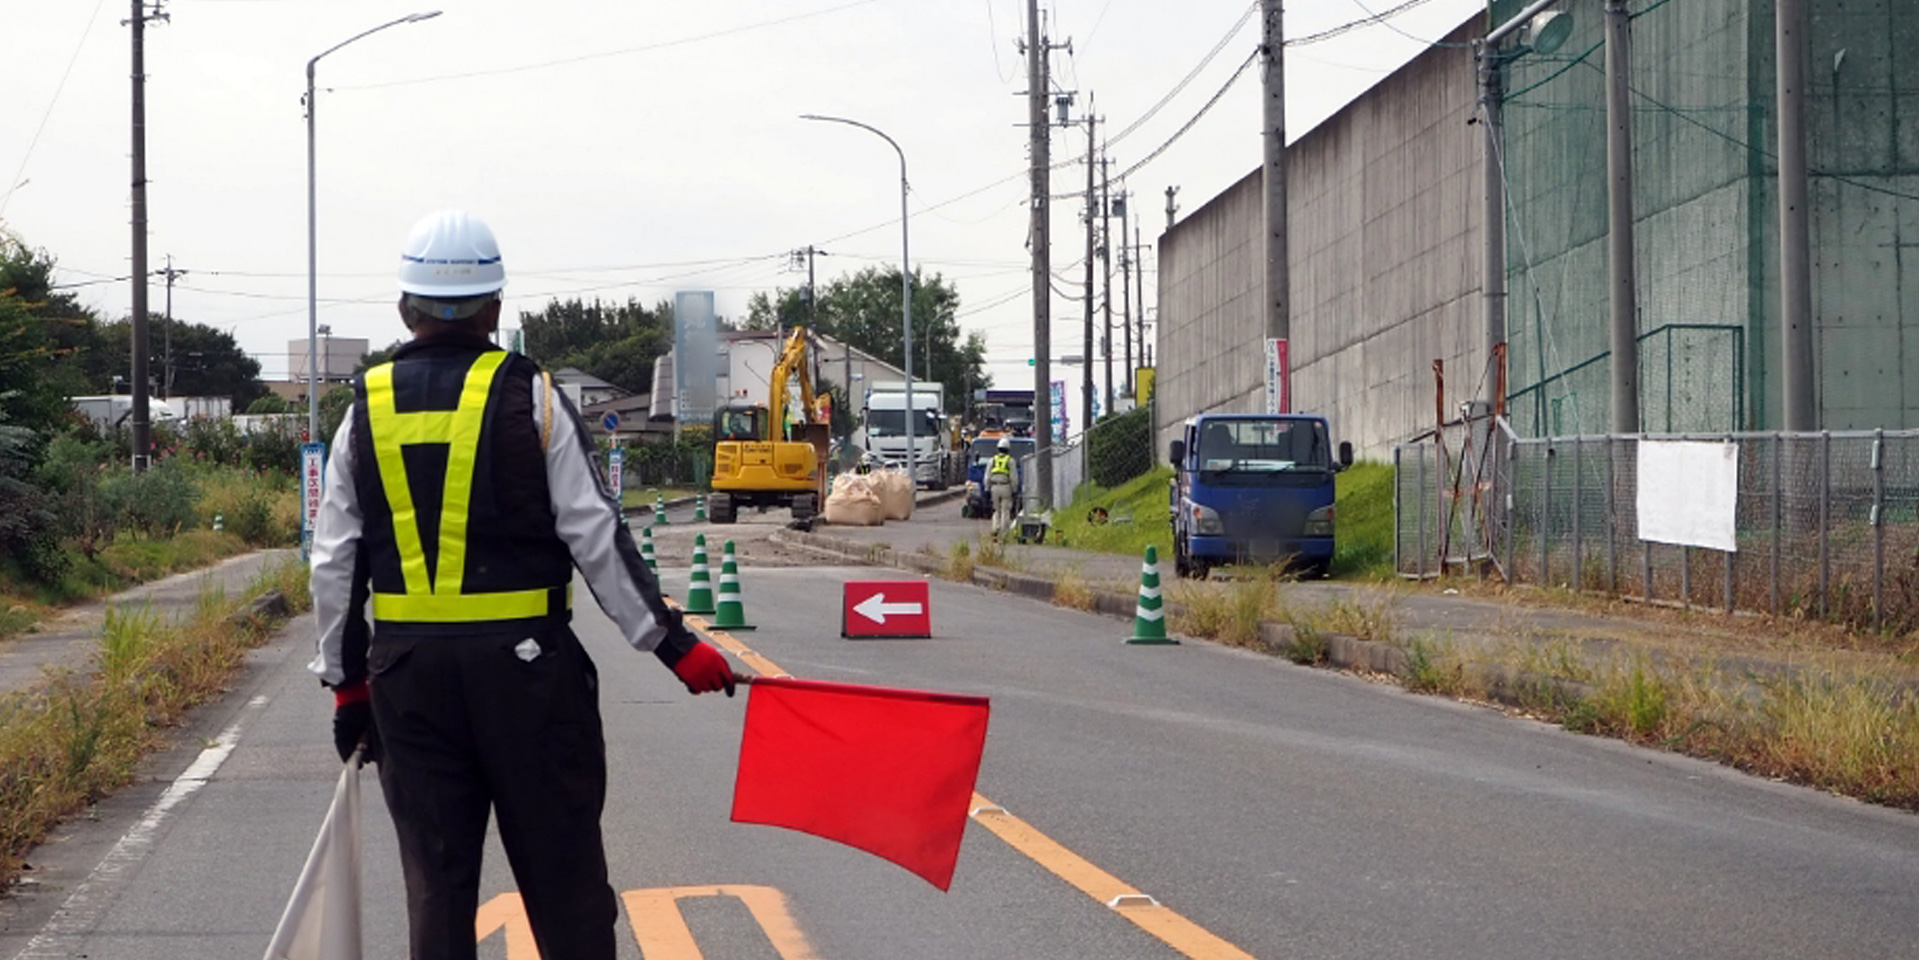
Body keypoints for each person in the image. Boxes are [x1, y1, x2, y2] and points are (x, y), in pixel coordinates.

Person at [308, 210, 736, 960]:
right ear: (496, 308)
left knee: (437, 893)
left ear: (404, 308)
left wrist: (348, 687)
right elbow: (596, 534)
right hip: (530, 677)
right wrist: (672, 646)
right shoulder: (531, 397)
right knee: (566, 888)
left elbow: (334, 563)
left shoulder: (363, 411)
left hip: (409, 683)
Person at [986, 437, 1018, 538]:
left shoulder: (992, 460)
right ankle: (1004, 534)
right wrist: (1014, 489)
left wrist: (987, 488)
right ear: (1008, 449)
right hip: (1006, 487)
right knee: (1005, 511)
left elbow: (987, 476)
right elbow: (1013, 477)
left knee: (996, 510)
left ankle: (995, 529)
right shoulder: (1010, 461)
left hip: (994, 487)